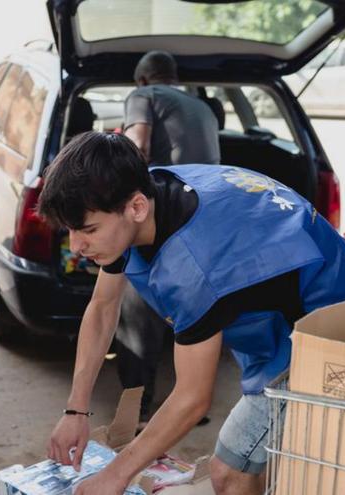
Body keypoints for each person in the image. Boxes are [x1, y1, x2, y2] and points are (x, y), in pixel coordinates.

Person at [41, 132, 345, 495]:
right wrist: (76, 411)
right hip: (276, 304)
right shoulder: (139, 193)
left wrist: (114, 476)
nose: (76, 246)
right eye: (71, 230)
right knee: (270, 458)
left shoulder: (196, 268)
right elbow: (103, 307)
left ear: (136, 208)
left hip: (330, 324)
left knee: (230, 471)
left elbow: (192, 398)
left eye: (88, 230)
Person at [118, 51, 223, 425]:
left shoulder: (143, 98)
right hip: (206, 219)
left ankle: (138, 411)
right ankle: (190, 405)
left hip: (164, 219)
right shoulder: (204, 109)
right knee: (189, 315)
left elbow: (136, 149)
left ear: (143, 80)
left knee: (137, 316)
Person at [124, 50, 220, 166]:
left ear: (142, 81)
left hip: (170, 182)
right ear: (174, 78)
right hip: (209, 181)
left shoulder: (143, 94)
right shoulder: (203, 106)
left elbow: (138, 149)